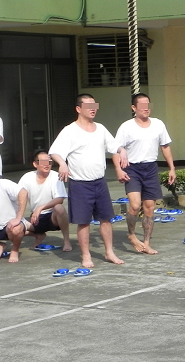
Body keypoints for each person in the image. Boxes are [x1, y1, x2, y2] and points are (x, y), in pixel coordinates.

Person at [49, 93, 127, 269]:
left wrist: (122, 150)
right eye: (88, 106)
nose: (93, 109)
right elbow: (54, 151)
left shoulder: (100, 128)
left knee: (106, 219)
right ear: (78, 109)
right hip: (80, 184)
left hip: (99, 182)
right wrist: (62, 164)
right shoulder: (70, 130)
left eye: (95, 105)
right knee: (83, 222)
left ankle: (109, 252)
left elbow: (114, 146)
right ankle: (86, 256)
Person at [114, 93, 176, 255]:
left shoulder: (158, 124)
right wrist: (119, 170)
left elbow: (165, 147)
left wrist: (172, 168)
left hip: (150, 168)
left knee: (149, 207)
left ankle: (147, 242)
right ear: (134, 108)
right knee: (134, 205)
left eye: (148, 105)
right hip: (132, 169)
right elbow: (116, 150)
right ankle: (131, 235)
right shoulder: (126, 127)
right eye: (141, 106)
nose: (146, 109)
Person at [16, 150, 72, 252]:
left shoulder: (56, 176)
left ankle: (66, 241)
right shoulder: (27, 177)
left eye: (49, 162)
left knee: (59, 207)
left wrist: (40, 208)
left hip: (52, 217)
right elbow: (18, 196)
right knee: (13, 227)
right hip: (35, 218)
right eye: (43, 162)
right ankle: (38, 234)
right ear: (35, 164)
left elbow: (60, 199)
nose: (47, 165)